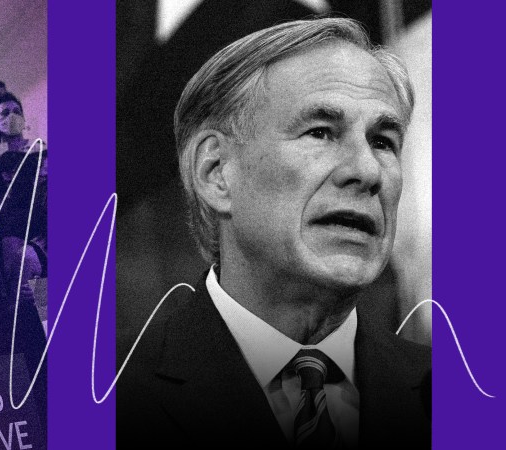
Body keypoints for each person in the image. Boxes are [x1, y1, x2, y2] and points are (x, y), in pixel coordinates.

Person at [117, 18, 430, 449]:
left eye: (383, 141)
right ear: (216, 173)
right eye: (320, 132)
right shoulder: (96, 401)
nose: (367, 171)